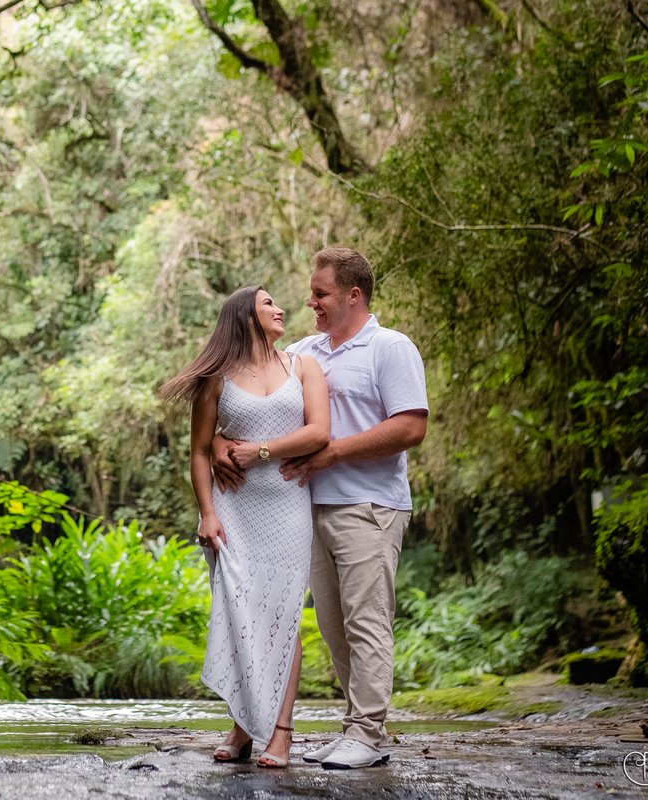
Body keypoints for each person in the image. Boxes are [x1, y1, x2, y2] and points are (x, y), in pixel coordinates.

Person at [212, 248, 428, 771]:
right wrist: (218, 442)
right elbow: (261, 402)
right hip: (306, 508)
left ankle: (368, 731)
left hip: (369, 506)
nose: (310, 302)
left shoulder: (390, 348)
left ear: (354, 295)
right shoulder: (307, 351)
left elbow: (411, 427)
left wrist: (333, 451)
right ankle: (357, 728)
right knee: (333, 625)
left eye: (321, 293)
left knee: (367, 621)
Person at [161, 285, 330, 768]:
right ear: (245, 318)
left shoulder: (303, 367)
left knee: (283, 616)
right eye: (268, 304)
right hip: (232, 510)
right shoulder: (217, 378)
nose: (281, 310)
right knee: (241, 615)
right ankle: (241, 727)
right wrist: (208, 513)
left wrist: (258, 451)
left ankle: (281, 732)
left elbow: (319, 432)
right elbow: (197, 450)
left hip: (287, 508)